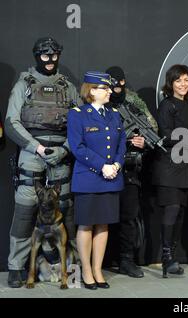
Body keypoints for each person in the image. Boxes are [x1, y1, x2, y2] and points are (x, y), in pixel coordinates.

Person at [4, 37, 81, 288]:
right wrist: (36, 147)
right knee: (25, 212)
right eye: (45, 56)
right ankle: (16, 267)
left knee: (66, 211)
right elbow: (11, 122)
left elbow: (80, 124)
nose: (50, 61)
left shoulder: (68, 87)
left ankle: (71, 267)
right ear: (37, 56)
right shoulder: (24, 85)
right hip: (32, 150)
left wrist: (65, 149)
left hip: (60, 153)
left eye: (54, 55)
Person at [67, 71, 126, 289]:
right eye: (104, 88)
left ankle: (98, 269)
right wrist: (103, 166)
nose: (110, 91)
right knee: (86, 225)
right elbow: (77, 147)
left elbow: (121, 144)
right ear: (91, 91)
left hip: (111, 177)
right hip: (89, 178)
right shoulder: (77, 114)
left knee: (103, 224)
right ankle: (86, 270)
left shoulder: (114, 114)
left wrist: (117, 165)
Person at [105, 66, 158, 278]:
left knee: (129, 216)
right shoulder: (100, 100)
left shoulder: (134, 101)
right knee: (102, 217)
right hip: (105, 167)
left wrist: (142, 141)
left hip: (129, 168)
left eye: (120, 83)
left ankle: (126, 260)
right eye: (112, 84)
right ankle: (100, 260)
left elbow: (152, 127)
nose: (117, 88)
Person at [152, 64, 188, 278]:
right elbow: (165, 133)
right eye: (178, 80)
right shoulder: (167, 104)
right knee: (171, 211)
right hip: (169, 168)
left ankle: (172, 256)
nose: (183, 84)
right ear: (170, 83)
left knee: (180, 213)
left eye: (186, 80)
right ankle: (166, 258)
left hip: (185, 167)